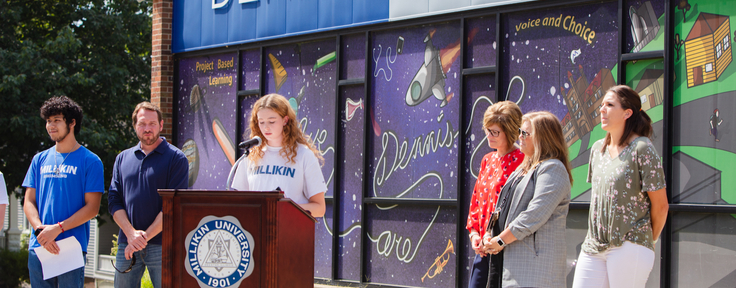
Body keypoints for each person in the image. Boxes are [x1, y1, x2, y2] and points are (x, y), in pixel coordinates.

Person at [572, 85, 668, 288]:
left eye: (609, 105)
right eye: (601, 105)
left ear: (627, 113)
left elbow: (661, 206)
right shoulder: (597, 149)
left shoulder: (642, 148)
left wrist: (646, 241)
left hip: (629, 245)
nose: (602, 110)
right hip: (593, 245)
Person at [482, 111, 572, 288]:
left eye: (525, 133)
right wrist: (488, 233)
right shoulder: (523, 168)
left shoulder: (553, 168)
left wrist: (500, 240)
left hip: (533, 268)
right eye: (519, 131)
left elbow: (534, 214)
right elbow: (501, 207)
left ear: (543, 138)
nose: (519, 137)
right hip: (506, 262)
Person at [22, 96, 104, 287]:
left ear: (72, 122)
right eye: (48, 121)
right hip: (39, 246)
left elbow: (92, 208)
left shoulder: (90, 161)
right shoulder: (39, 159)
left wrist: (57, 229)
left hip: (70, 248)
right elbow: (28, 201)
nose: (51, 125)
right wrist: (40, 230)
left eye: (57, 120)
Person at [108, 102, 189, 288]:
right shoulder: (122, 159)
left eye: (152, 124)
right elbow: (114, 201)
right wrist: (131, 235)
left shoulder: (176, 159)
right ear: (135, 126)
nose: (147, 129)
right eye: (142, 124)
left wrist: (141, 239)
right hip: (126, 244)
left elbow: (173, 205)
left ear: (161, 125)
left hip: (163, 245)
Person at [232, 94, 327, 217]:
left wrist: (284, 208)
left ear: (285, 120)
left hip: (290, 231)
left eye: (272, 121)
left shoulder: (304, 154)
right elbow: (239, 203)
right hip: (255, 232)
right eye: (261, 122)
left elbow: (319, 208)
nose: (266, 127)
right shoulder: (250, 155)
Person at [467, 101, 524, 288]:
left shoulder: (523, 160)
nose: (489, 136)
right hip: (483, 248)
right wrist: (474, 233)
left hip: (507, 248)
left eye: (495, 132)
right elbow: (477, 200)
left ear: (510, 131)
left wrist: (498, 238)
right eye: (487, 130)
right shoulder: (487, 160)